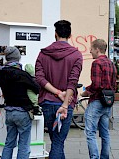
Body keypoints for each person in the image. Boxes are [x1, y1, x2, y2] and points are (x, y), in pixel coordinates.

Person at [35, 20, 83, 159]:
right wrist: (65, 103)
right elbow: (72, 82)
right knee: (58, 142)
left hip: (48, 102)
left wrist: (56, 92)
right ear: (70, 35)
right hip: (65, 104)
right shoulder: (76, 55)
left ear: (55, 34)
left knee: (56, 141)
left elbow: (39, 77)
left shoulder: (43, 54)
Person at [0, 46, 40, 159]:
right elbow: (36, 88)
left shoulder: (2, 73)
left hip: (9, 112)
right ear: (18, 57)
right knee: (24, 144)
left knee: (9, 143)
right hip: (22, 112)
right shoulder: (21, 74)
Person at [81, 39, 117, 159]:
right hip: (107, 102)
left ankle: (94, 157)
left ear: (97, 49)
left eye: (91, 49)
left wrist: (86, 92)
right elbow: (114, 85)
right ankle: (104, 157)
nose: (90, 51)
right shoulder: (111, 64)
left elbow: (96, 85)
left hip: (96, 101)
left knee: (90, 132)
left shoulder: (97, 63)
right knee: (105, 133)